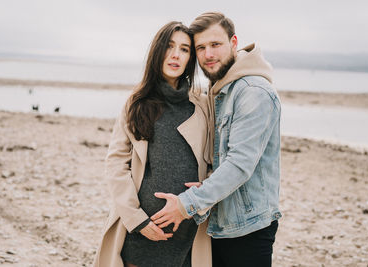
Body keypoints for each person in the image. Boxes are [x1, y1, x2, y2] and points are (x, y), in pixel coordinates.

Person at [151, 12, 282, 267]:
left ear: (234, 43)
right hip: (221, 221)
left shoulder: (252, 92)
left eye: (215, 45)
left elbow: (239, 165)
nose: (208, 55)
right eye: (201, 47)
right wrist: (208, 180)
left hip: (248, 229)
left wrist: (185, 204)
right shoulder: (223, 88)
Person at [93, 21, 212, 267]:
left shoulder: (202, 105)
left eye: (184, 49)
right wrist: (137, 221)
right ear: (157, 51)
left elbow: (216, 158)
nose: (176, 55)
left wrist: (204, 192)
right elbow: (116, 164)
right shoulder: (136, 103)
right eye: (169, 46)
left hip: (190, 229)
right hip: (143, 229)